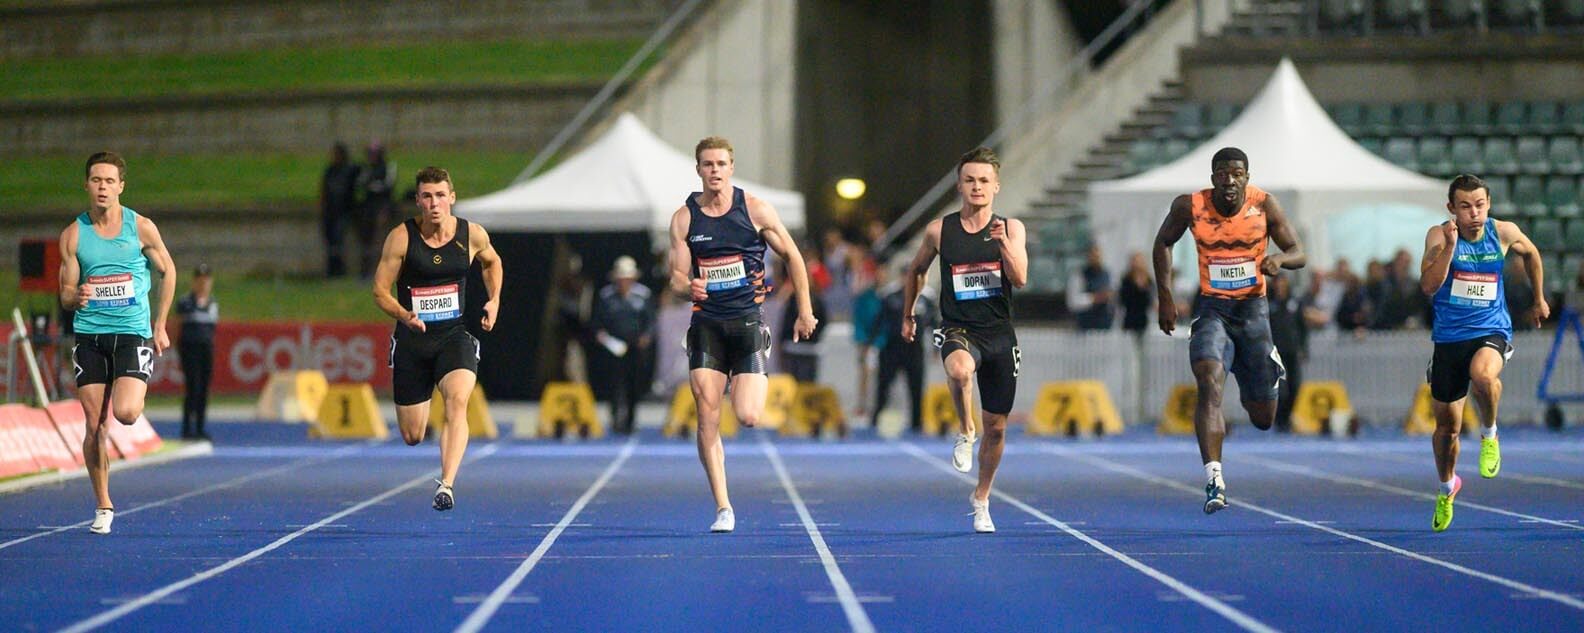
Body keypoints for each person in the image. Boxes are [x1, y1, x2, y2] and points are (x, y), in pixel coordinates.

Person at [669, 136, 816, 533]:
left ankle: (748, 370)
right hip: (707, 326)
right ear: (698, 169)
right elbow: (677, 277)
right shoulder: (685, 219)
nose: (714, 170)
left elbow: (794, 257)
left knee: (749, 415)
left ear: (731, 167)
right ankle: (723, 507)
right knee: (707, 413)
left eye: (720, 163)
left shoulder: (754, 210)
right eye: (707, 164)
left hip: (748, 322)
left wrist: (804, 309)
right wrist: (689, 288)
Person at [1152, 147, 1305, 515]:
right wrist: (1165, 296)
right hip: (1212, 308)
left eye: (1237, 173)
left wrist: (1278, 260)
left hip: (1253, 312)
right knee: (1208, 378)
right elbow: (1163, 243)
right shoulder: (1189, 206)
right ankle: (1214, 477)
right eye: (1222, 173)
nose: (1230, 180)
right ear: (1213, 178)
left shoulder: (1266, 206)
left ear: (1247, 178)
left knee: (1263, 417)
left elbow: (1298, 251)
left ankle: (1257, 368)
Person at [900, 146, 1028, 533]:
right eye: (970, 180)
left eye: (984, 181)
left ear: (996, 187)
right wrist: (907, 313)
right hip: (957, 327)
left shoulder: (1012, 227)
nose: (977, 187)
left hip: (1000, 335)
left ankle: (982, 498)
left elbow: (1020, 278)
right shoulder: (940, 230)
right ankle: (964, 429)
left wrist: (1003, 243)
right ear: (959, 185)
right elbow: (915, 271)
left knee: (999, 428)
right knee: (958, 370)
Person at [58, 151, 178, 534]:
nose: (103, 187)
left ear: (121, 186)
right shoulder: (74, 234)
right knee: (95, 425)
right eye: (96, 180)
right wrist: (74, 297)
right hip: (90, 335)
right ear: (87, 185)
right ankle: (104, 505)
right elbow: (63, 292)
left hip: (131, 334)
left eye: (110, 181)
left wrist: (159, 325)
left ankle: (133, 386)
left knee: (125, 413)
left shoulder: (140, 228)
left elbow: (169, 270)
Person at [1419, 174, 1545, 532]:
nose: (1474, 213)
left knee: (1484, 375)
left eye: (1479, 205)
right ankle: (1447, 488)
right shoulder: (1438, 235)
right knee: (1447, 429)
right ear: (1451, 209)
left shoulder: (1502, 232)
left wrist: (1538, 298)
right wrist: (1448, 247)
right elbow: (1428, 286)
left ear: (1488, 204)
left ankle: (1489, 434)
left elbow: (1532, 253)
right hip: (1449, 340)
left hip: (1492, 330)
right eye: (1465, 206)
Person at [372, 166, 502, 511]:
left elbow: (492, 263)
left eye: (440, 196)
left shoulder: (471, 234)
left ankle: (446, 485)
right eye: (427, 196)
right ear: (418, 201)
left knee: (458, 402)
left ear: (452, 198)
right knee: (413, 435)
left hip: (453, 335)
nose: (434, 203)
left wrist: (494, 299)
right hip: (413, 341)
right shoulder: (401, 238)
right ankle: (422, 403)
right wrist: (404, 315)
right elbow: (380, 291)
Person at [592, 256, 656, 435]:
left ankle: (630, 420)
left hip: (636, 348)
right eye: (621, 278)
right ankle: (615, 418)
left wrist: (646, 337)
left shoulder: (643, 295)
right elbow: (597, 323)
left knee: (633, 385)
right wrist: (603, 337)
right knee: (614, 385)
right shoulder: (606, 296)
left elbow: (651, 321)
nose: (624, 282)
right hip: (613, 348)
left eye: (627, 278)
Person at [871, 265, 935, 431]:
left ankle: (916, 422)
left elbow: (935, 323)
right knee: (883, 385)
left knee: (916, 387)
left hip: (915, 349)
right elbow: (878, 321)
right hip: (892, 347)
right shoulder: (890, 296)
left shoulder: (926, 298)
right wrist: (872, 344)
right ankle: (875, 420)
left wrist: (937, 347)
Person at [176, 263, 218, 440]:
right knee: (192, 387)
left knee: (204, 389)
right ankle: (187, 428)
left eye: (206, 280)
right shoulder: (185, 303)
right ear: (194, 282)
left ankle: (200, 427)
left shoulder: (213, 304)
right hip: (189, 349)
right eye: (200, 280)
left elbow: (212, 329)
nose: (203, 284)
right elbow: (177, 326)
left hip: (206, 350)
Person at [1266, 273, 1308, 432]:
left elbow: (1302, 328)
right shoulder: (1269, 304)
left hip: (1292, 350)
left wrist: (1303, 348)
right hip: (1276, 352)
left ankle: (1287, 416)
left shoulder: (1295, 303)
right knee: (1280, 389)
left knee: (1295, 387)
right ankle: (1280, 419)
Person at [358, 141, 397, 278]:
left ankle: (382, 271)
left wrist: (373, 186)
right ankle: (366, 270)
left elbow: (388, 186)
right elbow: (361, 184)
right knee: (366, 240)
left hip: (382, 207)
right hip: (368, 208)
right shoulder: (367, 168)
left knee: (381, 240)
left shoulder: (388, 167)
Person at [320, 142, 359, 277]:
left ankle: (338, 269)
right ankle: (332, 269)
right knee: (330, 240)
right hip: (330, 212)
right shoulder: (330, 171)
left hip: (343, 212)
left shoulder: (349, 171)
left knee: (338, 240)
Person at [1068, 244, 1115, 330]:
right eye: (1093, 256)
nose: (1096, 258)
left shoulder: (1108, 274)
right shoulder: (1079, 275)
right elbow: (1073, 301)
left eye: (1098, 256)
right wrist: (1095, 298)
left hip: (1105, 324)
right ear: (1088, 257)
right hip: (1086, 326)